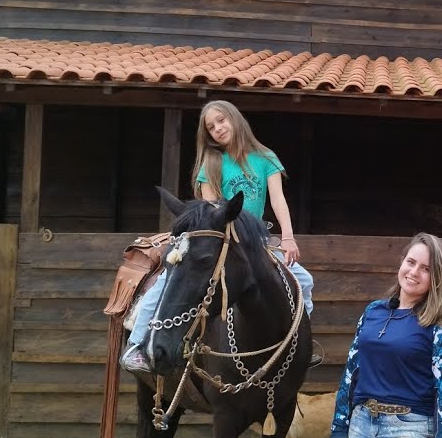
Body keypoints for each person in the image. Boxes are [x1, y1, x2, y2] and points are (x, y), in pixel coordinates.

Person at [121, 100, 316, 372]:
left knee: (303, 280)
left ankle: (297, 341)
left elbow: (278, 199)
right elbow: (208, 210)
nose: (218, 129)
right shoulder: (212, 163)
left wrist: (288, 237)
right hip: (219, 238)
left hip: (254, 241)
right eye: (211, 127)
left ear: (235, 119)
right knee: (166, 280)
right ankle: (138, 343)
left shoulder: (265, 157)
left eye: (221, 120)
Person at [328, 233, 442, 438]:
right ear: (401, 262)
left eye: (426, 269)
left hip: (410, 432)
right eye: (411, 262)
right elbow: (352, 373)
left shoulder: (441, 326)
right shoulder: (373, 312)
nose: (414, 272)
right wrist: (339, 428)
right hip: (362, 428)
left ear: (438, 277)